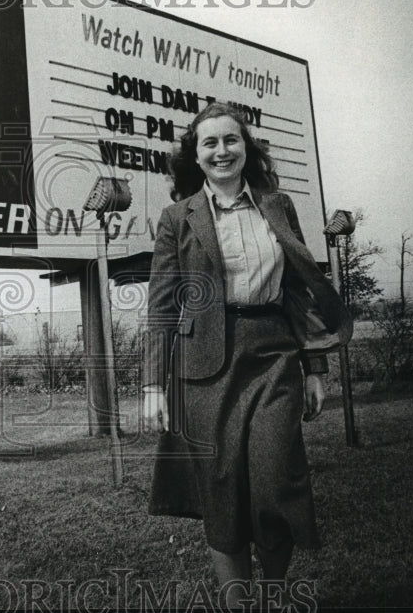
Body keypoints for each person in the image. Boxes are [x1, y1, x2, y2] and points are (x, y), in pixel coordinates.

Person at [141, 101, 352, 599]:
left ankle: (274, 597)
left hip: (273, 355)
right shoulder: (177, 217)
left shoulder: (278, 205)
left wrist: (314, 367)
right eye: (209, 142)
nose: (221, 151)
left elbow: (297, 291)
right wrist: (153, 382)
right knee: (222, 491)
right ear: (195, 154)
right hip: (203, 370)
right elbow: (162, 304)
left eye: (230, 140)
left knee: (277, 483)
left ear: (246, 147)